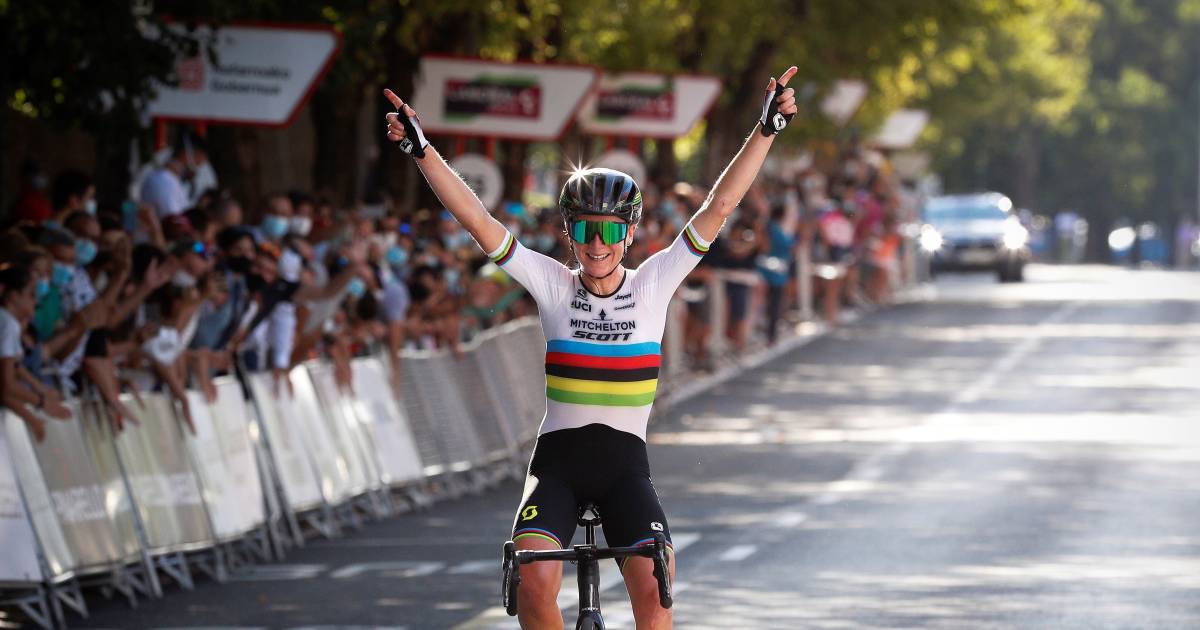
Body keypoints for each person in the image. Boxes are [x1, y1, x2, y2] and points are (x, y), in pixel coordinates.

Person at [383, 64, 798, 630]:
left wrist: (767, 128)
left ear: (629, 234)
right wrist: (421, 148)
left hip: (625, 466)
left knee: (656, 590)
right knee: (531, 577)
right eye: (584, 230)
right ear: (569, 234)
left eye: (609, 231)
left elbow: (718, 207)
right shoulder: (553, 283)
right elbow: (478, 221)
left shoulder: (653, 282)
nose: (597, 246)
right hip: (558, 465)